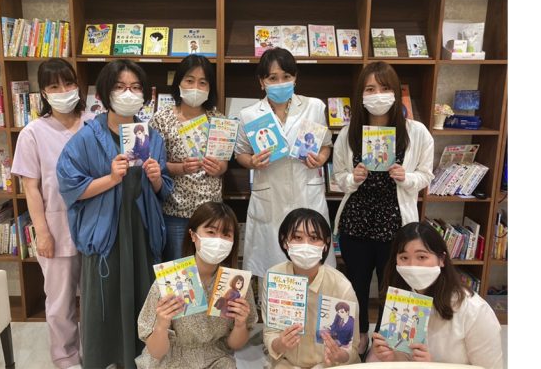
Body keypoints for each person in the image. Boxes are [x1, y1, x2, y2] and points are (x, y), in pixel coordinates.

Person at [56, 59, 173, 368]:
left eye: (135, 87)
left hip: (141, 231)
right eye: (120, 87)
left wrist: (155, 178)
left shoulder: (151, 137)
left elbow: (163, 190)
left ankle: (141, 357)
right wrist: (110, 179)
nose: (128, 93)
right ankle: (104, 358)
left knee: (143, 296)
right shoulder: (86, 138)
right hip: (105, 233)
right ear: (105, 93)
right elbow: (70, 187)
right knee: (103, 300)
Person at [332, 61, 434, 356]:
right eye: (370, 89)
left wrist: (406, 177)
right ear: (361, 94)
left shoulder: (416, 132)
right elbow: (339, 177)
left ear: (396, 92)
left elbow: (426, 175)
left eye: (385, 87)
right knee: (357, 285)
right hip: (357, 222)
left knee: (393, 286)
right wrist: (353, 178)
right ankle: (361, 334)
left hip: (395, 224)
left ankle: (385, 342)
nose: (378, 94)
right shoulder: (349, 133)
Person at [11, 58, 90, 369]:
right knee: (60, 302)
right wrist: (42, 233)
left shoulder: (93, 123)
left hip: (95, 227)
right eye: (54, 86)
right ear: (43, 93)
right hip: (56, 229)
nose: (63, 91)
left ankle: (97, 353)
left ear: (78, 85)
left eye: (68, 83)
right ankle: (66, 358)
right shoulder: (32, 133)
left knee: (96, 300)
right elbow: (31, 189)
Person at [234, 47, 335, 291]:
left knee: (311, 262)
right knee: (272, 269)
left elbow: (326, 145)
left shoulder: (314, 106)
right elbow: (240, 154)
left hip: (306, 191)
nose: (280, 83)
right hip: (270, 198)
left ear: (295, 78)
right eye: (273, 78)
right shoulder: (249, 115)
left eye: (286, 77)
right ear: (262, 82)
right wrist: (252, 162)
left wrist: (321, 158)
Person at [135, 201, 258, 368]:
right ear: (193, 236)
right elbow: (156, 352)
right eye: (211, 232)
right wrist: (162, 325)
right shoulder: (170, 279)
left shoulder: (237, 282)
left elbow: (234, 345)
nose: (218, 240)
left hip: (216, 359)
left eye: (226, 234)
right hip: (171, 360)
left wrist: (240, 324)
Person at [367, 222, 503, 368]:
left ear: (442, 259)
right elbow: (404, 359)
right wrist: (391, 357)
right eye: (404, 258)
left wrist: (433, 366)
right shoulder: (401, 301)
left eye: (421, 257)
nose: (412, 266)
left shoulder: (475, 310)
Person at [149, 54, 227, 261]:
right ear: (179, 83)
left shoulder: (218, 119)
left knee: (208, 268)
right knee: (179, 271)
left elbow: (224, 164)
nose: (195, 87)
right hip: (175, 210)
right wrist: (180, 168)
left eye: (203, 82)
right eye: (189, 80)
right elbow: (155, 165)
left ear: (210, 87)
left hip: (210, 210)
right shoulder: (162, 119)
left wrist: (218, 168)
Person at [263, 208, 360, 368]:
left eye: (314, 238)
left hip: (327, 365)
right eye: (297, 237)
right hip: (287, 363)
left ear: (326, 244)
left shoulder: (341, 286)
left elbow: (352, 347)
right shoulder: (275, 277)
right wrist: (280, 344)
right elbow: (270, 333)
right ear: (285, 241)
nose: (305, 245)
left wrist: (339, 355)